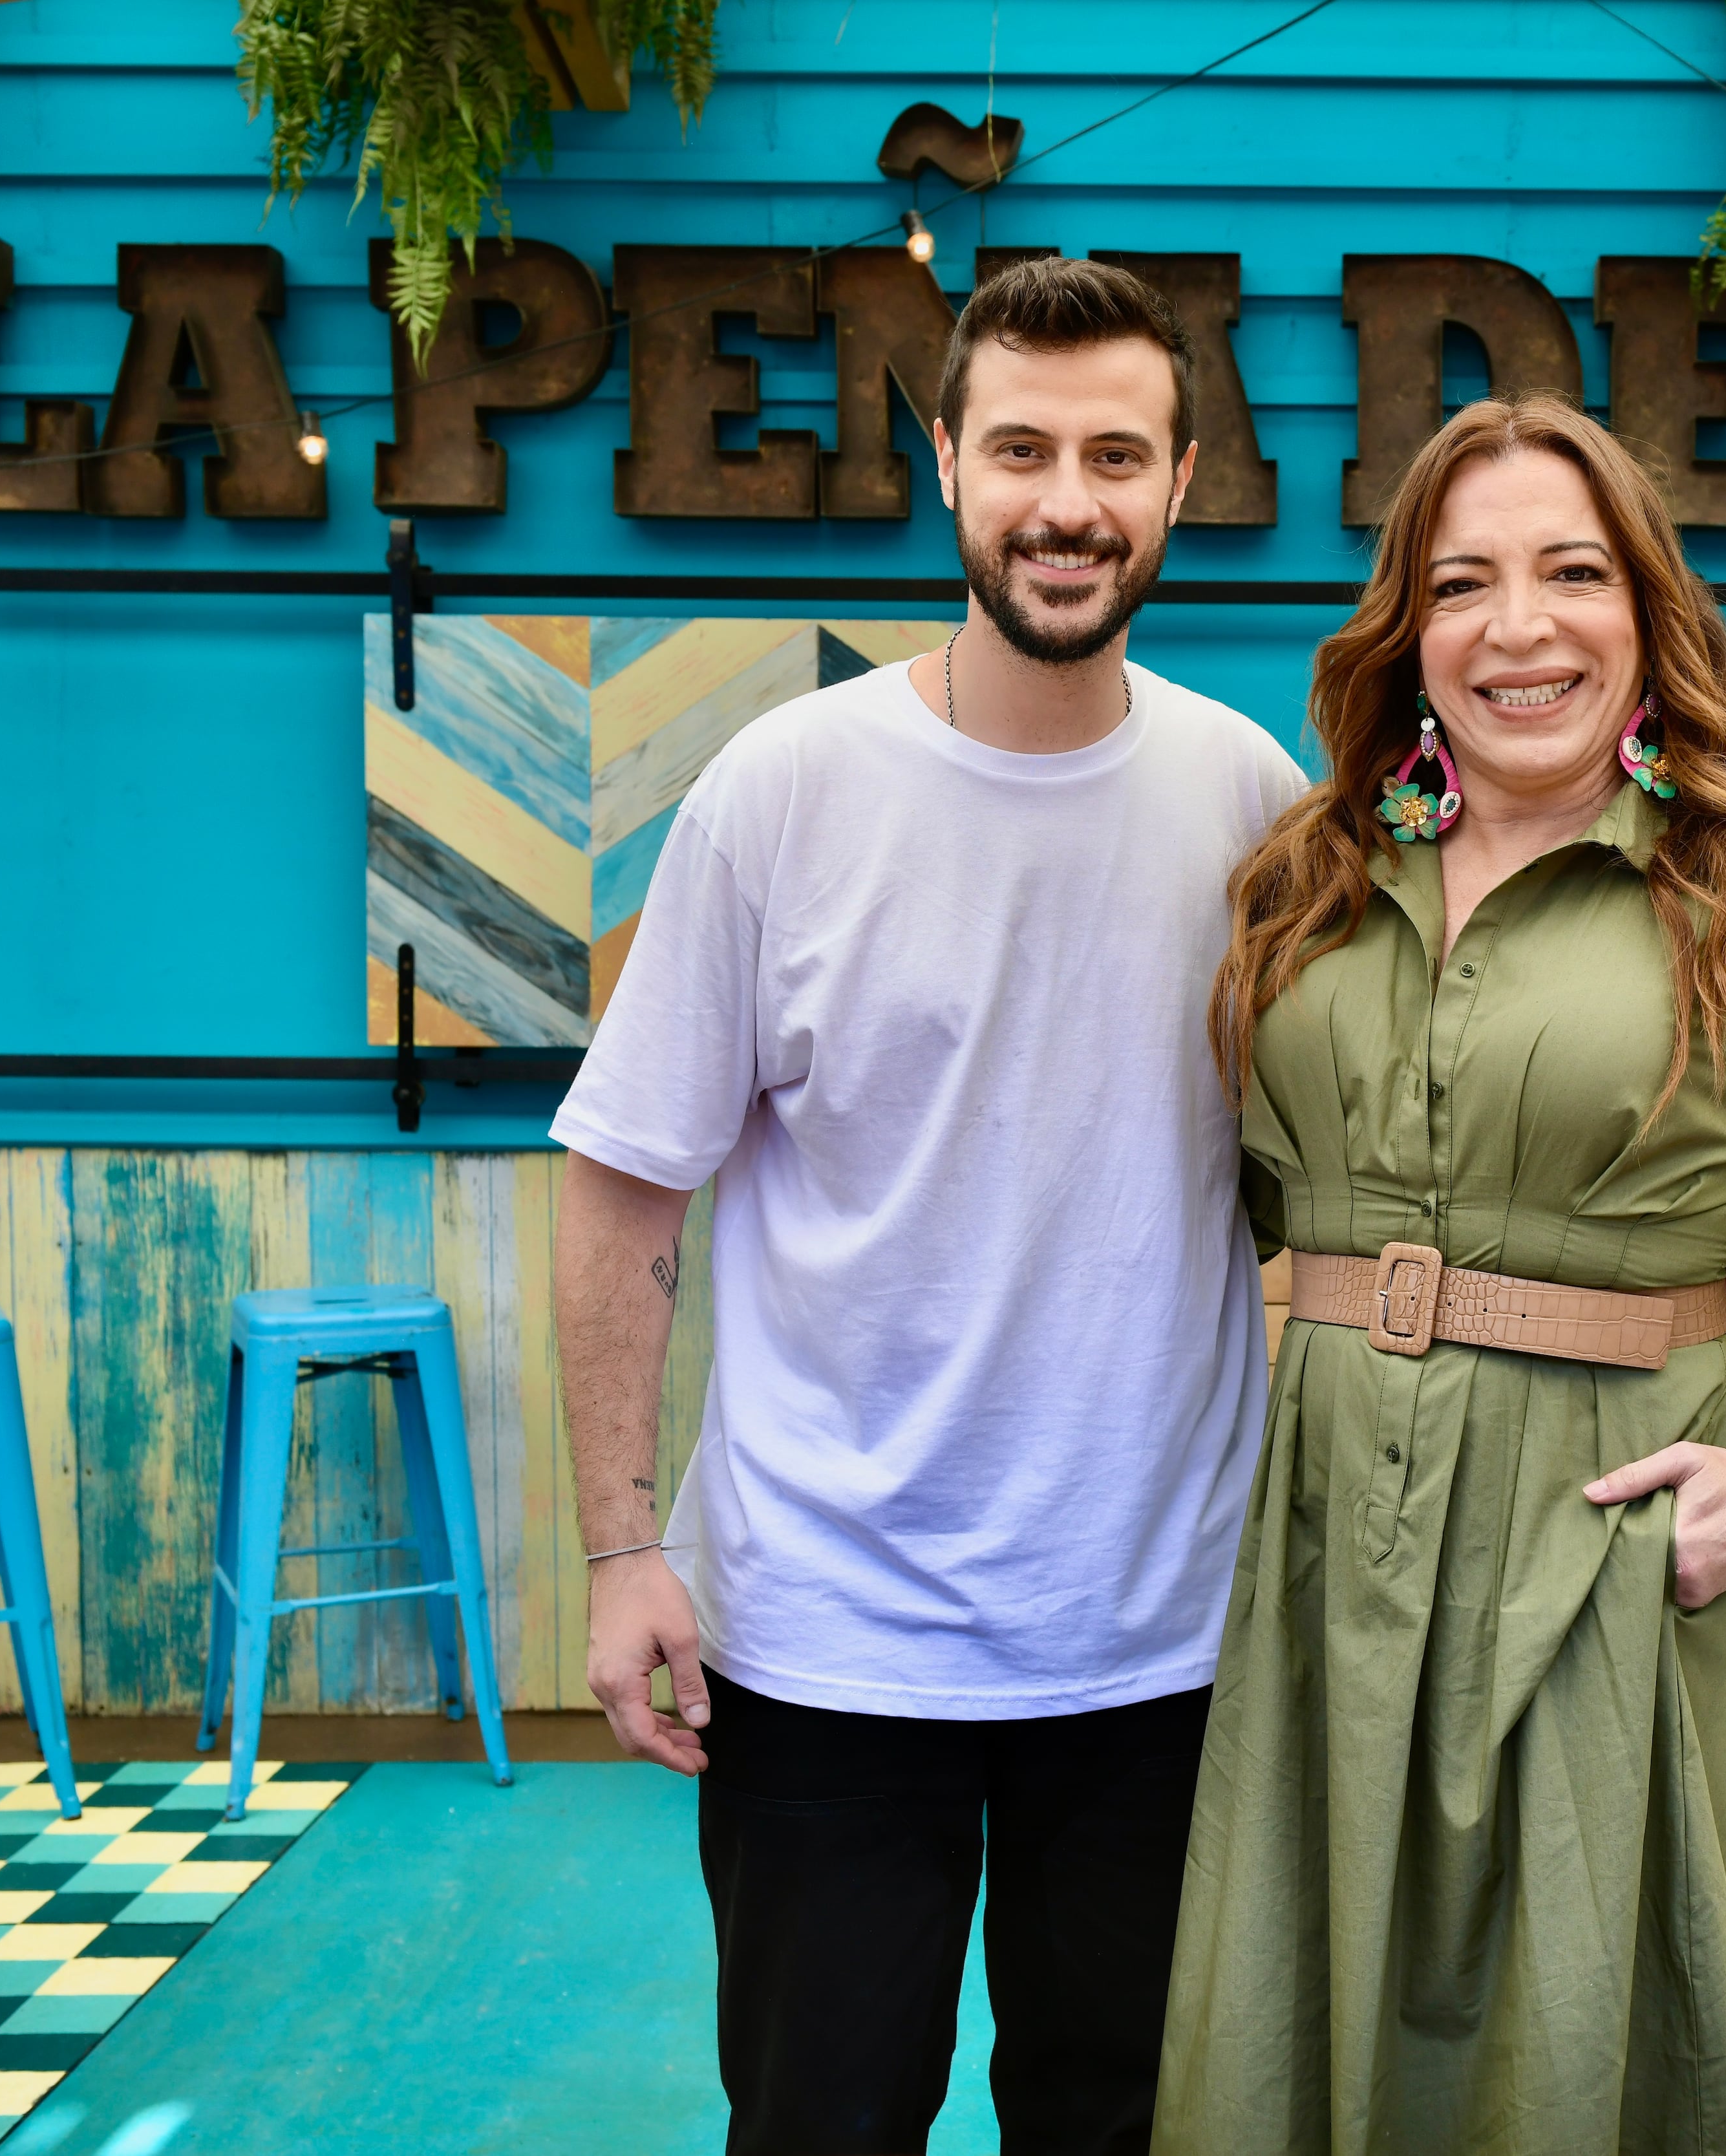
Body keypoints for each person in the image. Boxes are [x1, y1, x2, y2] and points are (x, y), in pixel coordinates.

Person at [1157, 392, 1726, 2155]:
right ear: (1411, 631)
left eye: (1572, 572)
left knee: (1571, 2024)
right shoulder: (1302, 887)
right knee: (1283, 2004)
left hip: (1599, 1529)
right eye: (1463, 583)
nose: (1518, 626)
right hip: (1319, 1528)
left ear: (1649, 613)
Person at [547, 255, 1303, 2156]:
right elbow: (625, 1192)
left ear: (1182, 482)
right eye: (1026, 447)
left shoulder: (1252, 802)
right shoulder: (783, 791)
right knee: (822, 2124)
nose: (1072, 499)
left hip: (1159, 1643)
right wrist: (625, 1551)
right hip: (826, 1647)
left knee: (1123, 2125)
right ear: (947, 465)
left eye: (1117, 453)